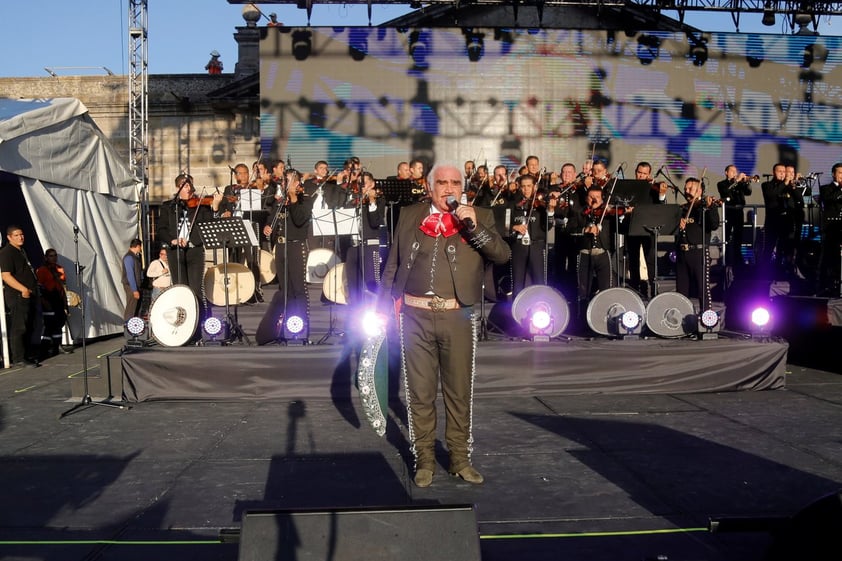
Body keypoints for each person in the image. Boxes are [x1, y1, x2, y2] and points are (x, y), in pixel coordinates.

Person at [378, 163, 510, 488]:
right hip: (414, 315)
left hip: (458, 315)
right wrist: (383, 304)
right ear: (429, 186)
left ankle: (459, 459)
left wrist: (473, 225)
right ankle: (424, 458)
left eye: (454, 182)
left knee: (458, 392)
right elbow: (393, 262)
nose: (448, 188)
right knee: (420, 393)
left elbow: (502, 254)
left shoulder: (480, 214)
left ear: (462, 186)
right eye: (442, 182)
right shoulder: (410, 214)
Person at [157, 173, 223, 318]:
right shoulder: (169, 206)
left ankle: (201, 322)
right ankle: (183, 320)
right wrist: (172, 240)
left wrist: (216, 208)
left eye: (191, 185)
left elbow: (212, 224)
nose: (190, 188)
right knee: (180, 288)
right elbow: (161, 229)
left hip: (195, 250)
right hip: (175, 252)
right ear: (178, 187)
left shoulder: (201, 206)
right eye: (186, 185)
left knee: (196, 288)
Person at [566, 186, 615, 316]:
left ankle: (605, 317)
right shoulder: (579, 212)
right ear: (587, 198)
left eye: (597, 198)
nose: (594, 200)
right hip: (585, 254)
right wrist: (585, 230)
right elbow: (569, 230)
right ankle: (582, 318)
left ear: (602, 199)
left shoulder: (608, 213)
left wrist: (620, 215)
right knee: (583, 289)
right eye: (591, 197)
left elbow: (620, 227)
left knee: (606, 288)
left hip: (603, 252)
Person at [675, 177, 720, 312]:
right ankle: (681, 319)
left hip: (698, 252)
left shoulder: (704, 208)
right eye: (685, 188)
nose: (687, 191)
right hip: (682, 253)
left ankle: (707, 320)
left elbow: (714, 224)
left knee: (703, 289)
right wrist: (677, 224)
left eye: (690, 189)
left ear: (699, 190)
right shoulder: (682, 208)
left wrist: (710, 207)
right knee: (681, 291)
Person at [509, 174, 556, 297]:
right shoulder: (514, 204)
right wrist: (514, 227)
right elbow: (505, 225)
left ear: (534, 187)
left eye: (529, 186)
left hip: (536, 246)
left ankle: (540, 309)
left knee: (539, 281)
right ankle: (516, 312)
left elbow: (548, 226)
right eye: (523, 187)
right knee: (517, 283)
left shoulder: (540, 205)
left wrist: (550, 211)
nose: (526, 189)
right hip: (519, 246)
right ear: (520, 188)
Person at [626, 161, 668, 299]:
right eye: (639, 173)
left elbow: (661, 205)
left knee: (651, 260)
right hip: (633, 228)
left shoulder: (653, 188)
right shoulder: (630, 187)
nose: (641, 176)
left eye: (644, 173)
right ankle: (635, 289)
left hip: (649, 230)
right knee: (633, 260)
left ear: (649, 174)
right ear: (635, 172)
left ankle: (654, 290)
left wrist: (662, 194)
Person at [0, 226, 41, 367]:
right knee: (19, 326)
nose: (20, 237)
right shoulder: (6, 253)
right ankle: (18, 358)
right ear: (9, 237)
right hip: (18, 295)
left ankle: (28, 353)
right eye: (16, 235)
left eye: (22, 234)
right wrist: (23, 290)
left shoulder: (21, 251)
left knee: (29, 325)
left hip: (30, 293)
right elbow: (6, 275)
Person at [345, 172, 385, 306]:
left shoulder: (379, 200)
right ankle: (354, 313)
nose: (361, 186)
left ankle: (375, 313)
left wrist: (372, 201)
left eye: (365, 183)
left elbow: (375, 222)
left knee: (371, 281)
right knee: (353, 284)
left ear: (372, 184)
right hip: (353, 246)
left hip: (369, 245)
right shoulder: (354, 200)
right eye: (359, 184)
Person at [760, 163, 800, 279]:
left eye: (784, 172)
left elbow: (799, 200)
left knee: (785, 250)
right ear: (774, 172)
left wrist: (793, 186)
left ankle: (783, 272)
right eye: (780, 171)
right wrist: (785, 183)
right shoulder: (767, 185)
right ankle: (764, 273)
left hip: (786, 223)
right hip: (772, 222)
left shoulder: (788, 186)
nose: (783, 174)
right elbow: (772, 195)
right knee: (768, 248)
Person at [717, 165, 754, 278]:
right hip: (729, 211)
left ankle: (739, 261)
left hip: (739, 211)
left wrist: (746, 182)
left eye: (735, 171)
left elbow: (748, 192)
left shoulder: (739, 184)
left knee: (739, 237)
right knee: (727, 237)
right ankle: (728, 260)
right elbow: (725, 193)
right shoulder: (721, 184)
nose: (734, 173)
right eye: (732, 171)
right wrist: (736, 181)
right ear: (726, 172)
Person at [35, 248, 69, 357]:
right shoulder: (42, 270)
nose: (53, 258)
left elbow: (63, 286)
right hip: (48, 299)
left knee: (59, 323)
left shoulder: (60, 269)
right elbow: (39, 287)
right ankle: (43, 349)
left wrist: (65, 302)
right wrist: (43, 301)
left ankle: (56, 347)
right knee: (49, 325)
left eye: (55, 255)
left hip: (58, 299)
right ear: (46, 257)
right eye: (51, 256)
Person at [818, 163, 842, 296]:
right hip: (830, 228)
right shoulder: (826, 188)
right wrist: (839, 187)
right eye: (840, 173)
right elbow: (828, 198)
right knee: (828, 257)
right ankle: (825, 285)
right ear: (833, 174)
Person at [121, 238, 143, 322]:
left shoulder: (135, 257)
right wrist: (134, 290)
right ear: (137, 246)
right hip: (131, 286)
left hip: (136, 286)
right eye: (140, 247)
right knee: (131, 308)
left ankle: (133, 328)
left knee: (136, 308)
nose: (141, 249)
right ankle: (128, 329)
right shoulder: (129, 257)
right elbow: (130, 275)